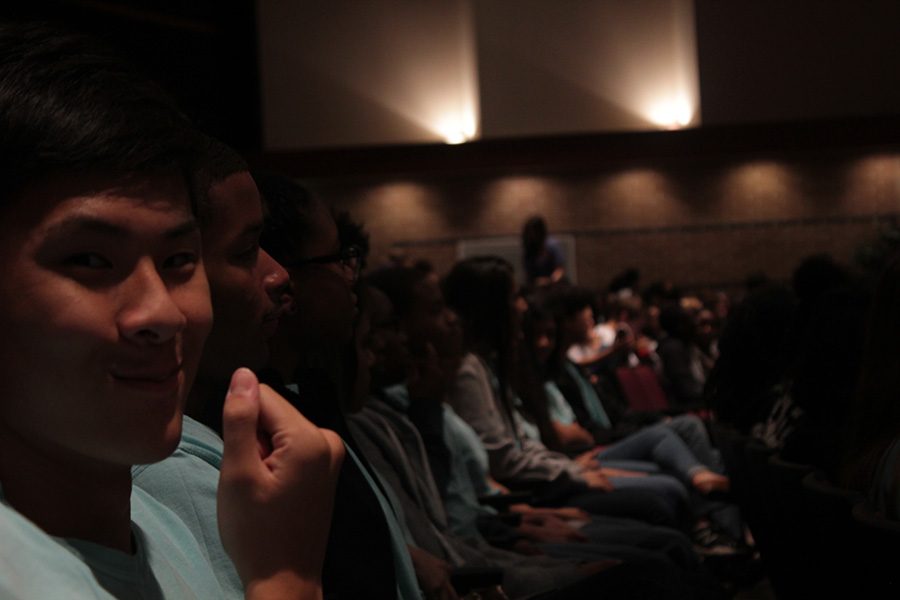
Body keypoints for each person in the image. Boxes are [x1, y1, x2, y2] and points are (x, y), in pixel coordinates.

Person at [0, 23, 342, 600]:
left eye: (179, 259)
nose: (163, 312)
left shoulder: (166, 526)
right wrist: (287, 580)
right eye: (90, 260)